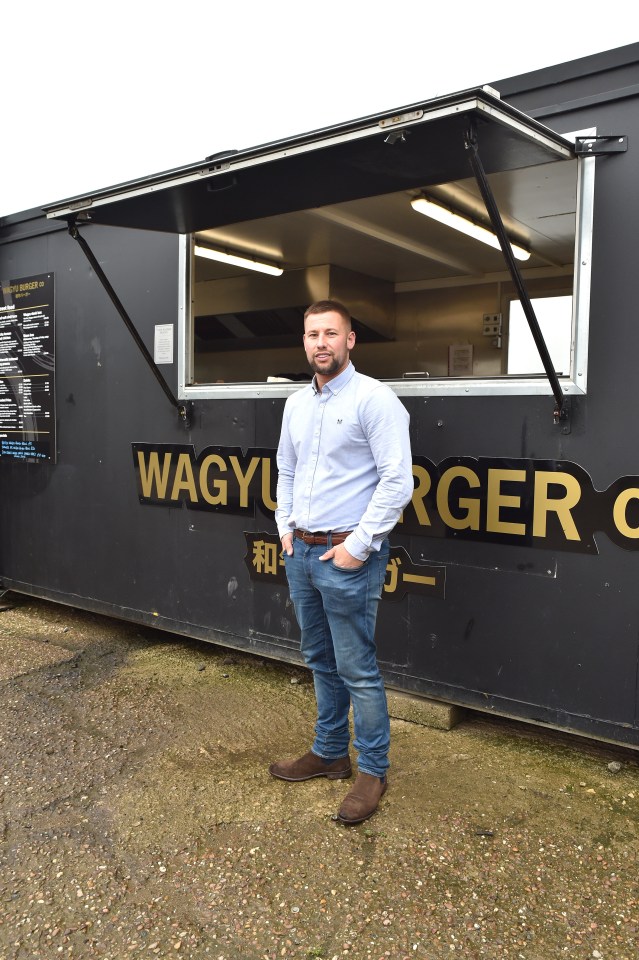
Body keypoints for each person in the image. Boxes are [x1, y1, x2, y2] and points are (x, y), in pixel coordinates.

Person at [270, 299, 414, 824]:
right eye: (313, 335)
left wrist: (358, 546)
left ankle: (373, 770)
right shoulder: (295, 404)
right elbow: (286, 469)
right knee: (319, 658)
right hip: (302, 552)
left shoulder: (375, 400)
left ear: (350, 340)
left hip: (345, 554)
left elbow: (398, 481)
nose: (321, 343)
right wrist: (284, 528)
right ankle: (330, 753)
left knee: (357, 667)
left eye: (331, 333)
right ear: (304, 342)